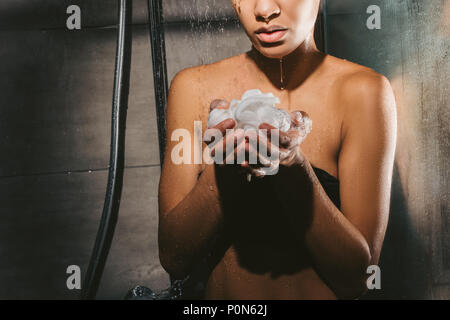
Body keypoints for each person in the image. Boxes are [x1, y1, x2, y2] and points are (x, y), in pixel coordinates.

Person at [158, 0, 397, 299]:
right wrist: (225, 174)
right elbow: (174, 259)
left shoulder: (363, 92)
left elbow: (358, 279)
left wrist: (294, 169)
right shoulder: (192, 88)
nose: (264, 9)